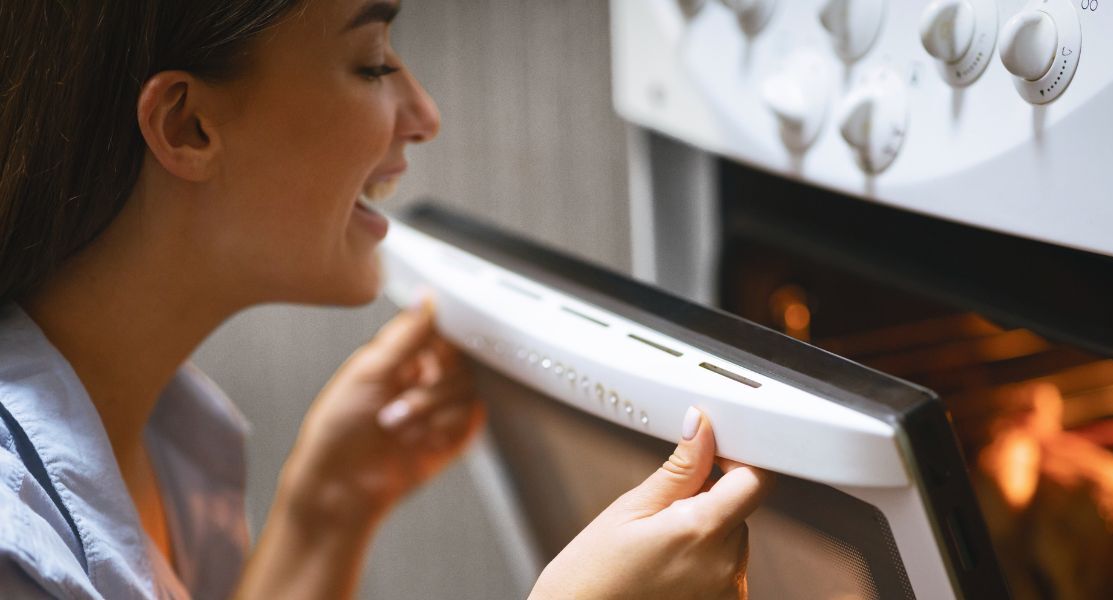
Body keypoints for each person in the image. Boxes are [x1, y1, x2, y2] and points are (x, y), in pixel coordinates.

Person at [0, 1, 774, 599]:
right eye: (372, 63)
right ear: (188, 125)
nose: (423, 116)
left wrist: (324, 515)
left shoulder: (160, 428)